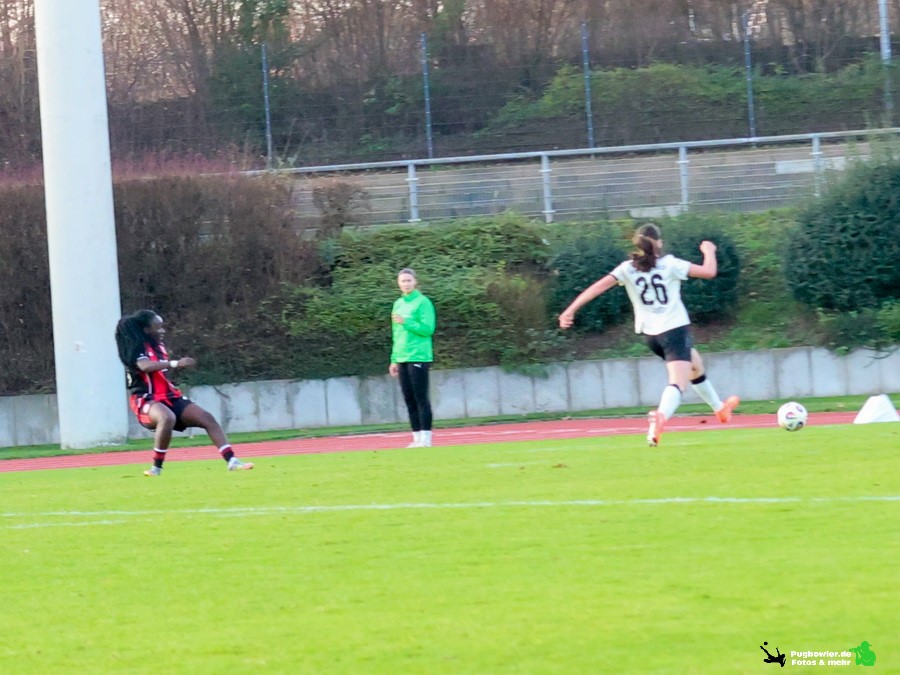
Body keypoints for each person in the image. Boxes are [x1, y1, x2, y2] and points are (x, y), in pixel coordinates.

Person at [558, 223, 739, 447]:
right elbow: (709, 272)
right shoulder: (670, 264)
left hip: (652, 337)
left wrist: (570, 310)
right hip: (674, 330)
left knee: (695, 364)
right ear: (659, 243)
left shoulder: (627, 268)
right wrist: (709, 251)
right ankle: (659, 418)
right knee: (678, 383)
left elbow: (597, 288)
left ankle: (720, 409)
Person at [115, 309, 254, 475]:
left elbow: (160, 374)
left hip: (170, 396)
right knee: (167, 417)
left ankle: (232, 461)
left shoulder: (159, 347)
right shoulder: (136, 348)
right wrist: (175, 363)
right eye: (158, 328)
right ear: (146, 330)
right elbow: (145, 366)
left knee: (207, 418)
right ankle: (156, 468)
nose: (162, 331)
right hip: (145, 399)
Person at [389, 268, 436, 448]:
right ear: (398, 283)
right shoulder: (398, 304)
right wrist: (394, 359)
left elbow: (427, 329)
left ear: (415, 282)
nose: (406, 284)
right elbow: (396, 334)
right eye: (403, 281)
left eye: (409, 280)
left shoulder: (423, 302)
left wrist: (407, 322)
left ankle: (426, 438)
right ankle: (416, 438)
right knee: (408, 399)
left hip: (418, 355)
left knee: (420, 397)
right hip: (402, 356)